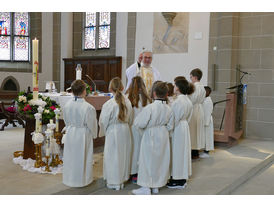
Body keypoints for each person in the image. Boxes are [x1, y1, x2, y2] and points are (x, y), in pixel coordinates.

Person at [132, 82, 174, 195]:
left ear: (154, 93)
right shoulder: (169, 108)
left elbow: (139, 123)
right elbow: (171, 126)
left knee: (147, 160)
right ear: (166, 94)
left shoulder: (150, 108)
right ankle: (156, 185)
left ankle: (146, 187)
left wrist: (144, 131)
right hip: (163, 134)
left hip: (150, 134)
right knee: (160, 160)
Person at [99, 77, 132, 191]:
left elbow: (103, 121)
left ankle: (114, 182)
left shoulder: (109, 104)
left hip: (113, 131)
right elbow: (131, 117)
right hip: (125, 130)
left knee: (113, 156)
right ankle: (122, 180)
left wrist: (105, 130)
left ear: (110, 88)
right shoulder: (127, 102)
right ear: (122, 88)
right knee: (123, 155)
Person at [62, 80, 98, 187]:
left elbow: (66, 120)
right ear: (84, 91)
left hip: (71, 132)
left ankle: (69, 179)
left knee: (71, 157)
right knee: (83, 157)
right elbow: (92, 124)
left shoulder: (67, 104)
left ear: (72, 91)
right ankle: (82, 180)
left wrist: (70, 127)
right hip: (83, 134)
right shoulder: (88, 107)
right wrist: (94, 134)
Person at [167, 78, 194, 189]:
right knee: (183, 152)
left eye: (174, 85)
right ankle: (182, 178)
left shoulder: (178, 101)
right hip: (184, 126)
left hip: (178, 128)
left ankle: (177, 179)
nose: (173, 87)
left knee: (177, 153)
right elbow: (189, 116)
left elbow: (174, 118)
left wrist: (168, 129)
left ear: (177, 88)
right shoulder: (187, 100)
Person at [127, 76, 152, 183]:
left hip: (132, 128)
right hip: (145, 128)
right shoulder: (147, 99)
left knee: (133, 151)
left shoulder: (128, 98)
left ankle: (133, 173)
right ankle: (142, 172)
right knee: (143, 151)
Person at [188, 68, 206, 159]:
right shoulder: (202, 87)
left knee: (192, 131)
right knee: (197, 131)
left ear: (195, 77)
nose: (190, 79)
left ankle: (192, 152)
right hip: (200, 109)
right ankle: (196, 152)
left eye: (191, 77)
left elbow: (192, 99)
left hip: (194, 109)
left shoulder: (194, 87)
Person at [200, 86, 214, 158]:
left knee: (208, 137)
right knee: (205, 137)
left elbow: (208, 112)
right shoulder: (205, 100)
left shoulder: (208, 101)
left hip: (207, 121)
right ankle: (204, 150)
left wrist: (206, 122)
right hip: (205, 120)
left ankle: (206, 152)